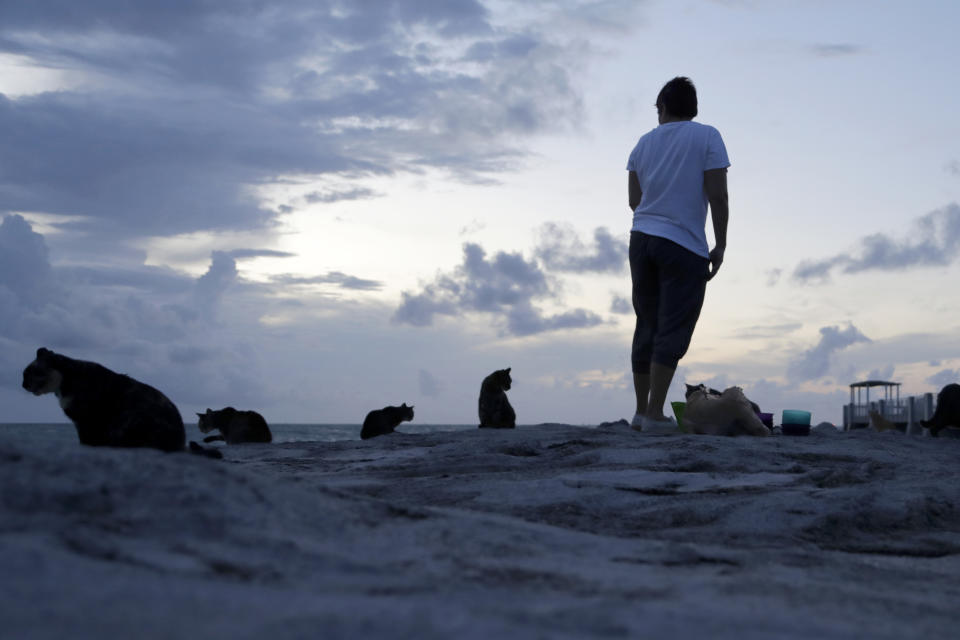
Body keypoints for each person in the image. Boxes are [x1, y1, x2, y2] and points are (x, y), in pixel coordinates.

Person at [625, 76, 729, 433]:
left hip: (641, 239)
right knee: (673, 325)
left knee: (647, 322)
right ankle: (655, 413)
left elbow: (633, 201)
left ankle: (641, 412)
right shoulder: (708, 137)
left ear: (663, 108)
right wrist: (721, 243)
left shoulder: (642, 144)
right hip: (683, 244)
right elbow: (718, 195)